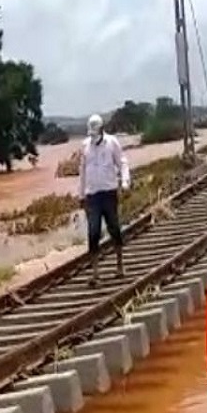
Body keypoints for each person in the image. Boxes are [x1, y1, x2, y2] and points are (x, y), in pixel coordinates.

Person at [78, 113, 131, 285]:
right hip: (92, 196)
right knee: (93, 233)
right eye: (91, 134)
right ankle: (95, 273)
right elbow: (82, 172)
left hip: (109, 193)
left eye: (95, 133)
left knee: (114, 228)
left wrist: (125, 182)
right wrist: (81, 195)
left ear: (102, 129)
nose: (93, 137)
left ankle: (120, 266)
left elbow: (122, 162)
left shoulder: (112, 143)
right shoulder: (85, 146)